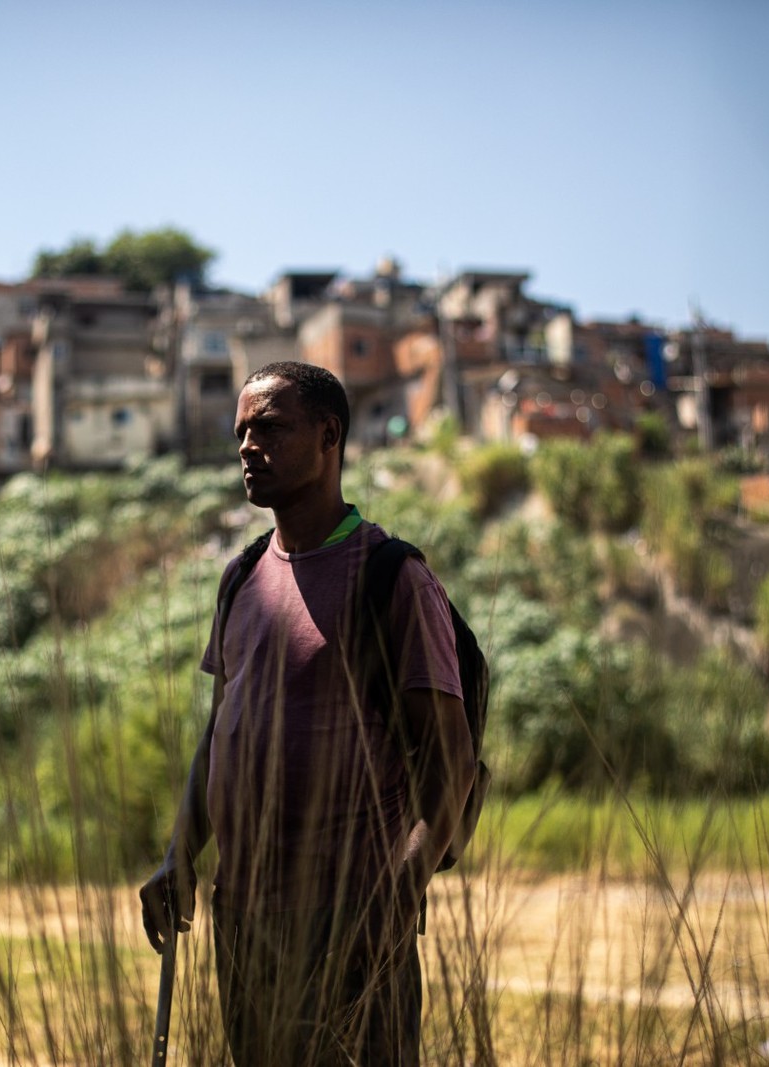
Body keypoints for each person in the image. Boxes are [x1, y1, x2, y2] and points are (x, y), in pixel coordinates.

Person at [139, 361, 474, 1066]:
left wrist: (399, 892)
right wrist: (180, 854)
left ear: (329, 436)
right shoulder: (241, 580)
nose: (247, 448)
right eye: (240, 434)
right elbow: (219, 736)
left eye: (268, 428)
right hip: (246, 919)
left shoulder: (393, 578)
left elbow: (452, 764)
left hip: (352, 921)